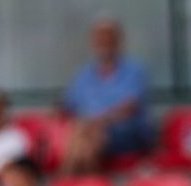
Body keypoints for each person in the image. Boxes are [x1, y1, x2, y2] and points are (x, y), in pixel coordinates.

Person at [62, 18, 151, 174]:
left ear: (118, 40)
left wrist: (96, 122)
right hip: (88, 132)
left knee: (88, 137)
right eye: (99, 38)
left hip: (126, 133)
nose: (103, 42)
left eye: (108, 37)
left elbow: (129, 108)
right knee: (83, 143)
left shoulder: (133, 70)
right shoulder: (83, 74)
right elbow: (69, 106)